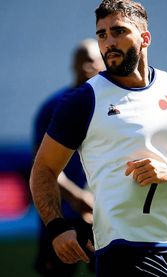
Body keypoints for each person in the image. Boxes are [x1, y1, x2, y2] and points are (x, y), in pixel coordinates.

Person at [30, 1, 167, 276]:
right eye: (102, 34)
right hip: (120, 251)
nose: (108, 42)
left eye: (118, 31)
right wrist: (57, 227)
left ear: (145, 38)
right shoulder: (83, 100)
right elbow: (43, 169)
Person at [33, 38, 105, 276]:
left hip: (105, 219)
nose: (87, 66)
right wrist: (78, 198)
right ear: (72, 65)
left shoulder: (117, 107)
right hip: (62, 216)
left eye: (93, 61)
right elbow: (42, 167)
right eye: (81, 61)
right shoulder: (53, 107)